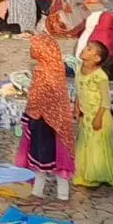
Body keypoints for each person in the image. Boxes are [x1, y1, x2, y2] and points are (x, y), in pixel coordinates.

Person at [15, 35, 75, 201]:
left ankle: (54, 194)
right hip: (53, 120)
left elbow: (41, 97)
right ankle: (45, 193)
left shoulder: (45, 71)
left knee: (47, 157)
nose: (31, 50)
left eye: (34, 47)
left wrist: (31, 113)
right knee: (50, 156)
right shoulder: (55, 67)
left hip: (44, 120)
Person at [73, 40, 113, 188]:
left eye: (89, 49)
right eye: (86, 47)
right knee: (85, 142)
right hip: (86, 114)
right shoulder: (78, 69)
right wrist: (77, 106)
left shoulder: (100, 76)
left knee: (97, 144)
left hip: (99, 115)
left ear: (97, 58)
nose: (84, 49)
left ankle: (98, 173)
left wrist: (99, 117)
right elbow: (79, 90)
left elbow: (106, 100)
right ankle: (85, 173)